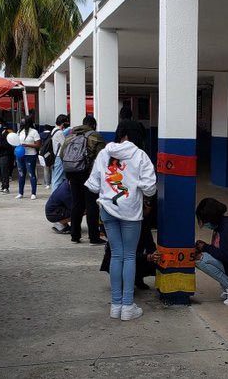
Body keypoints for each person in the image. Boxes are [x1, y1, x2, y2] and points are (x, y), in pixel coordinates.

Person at [85, 119, 157, 321]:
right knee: (130, 256)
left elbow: (92, 185)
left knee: (116, 255)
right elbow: (150, 187)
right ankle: (127, 306)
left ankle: (115, 305)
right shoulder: (140, 156)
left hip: (107, 210)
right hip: (131, 212)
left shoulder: (104, 153)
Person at [60, 115, 106, 245]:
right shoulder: (95, 136)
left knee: (77, 204)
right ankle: (93, 237)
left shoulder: (70, 136)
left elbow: (62, 155)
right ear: (93, 126)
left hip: (72, 173)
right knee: (91, 205)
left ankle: (75, 236)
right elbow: (102, 157)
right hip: (88, 174)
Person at [101, 196, 160, 289]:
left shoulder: (143, 221)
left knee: (153, 257)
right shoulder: (120, 220)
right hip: (120, 256)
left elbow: (149, 242)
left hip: (133, 254)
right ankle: (123, 281)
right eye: (146, 204)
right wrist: (146, 257)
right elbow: (121, 252)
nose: (149, 208)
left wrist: (154, 254)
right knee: (125, 258)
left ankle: (137, 278)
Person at [16, 115, 41, 200]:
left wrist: (28, 145)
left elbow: (38, 144)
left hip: (30, 155)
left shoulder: (34, 132)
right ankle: (20, 192)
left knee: (31, 174)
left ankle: (33, 193)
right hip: (20, 155)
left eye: (23, 122)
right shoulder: (19, 131)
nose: (22, 123)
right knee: (21, 174)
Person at [0, 118, 14, 194]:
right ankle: (2, 185)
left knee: (4, 171)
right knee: (0, 171)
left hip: (5, 154)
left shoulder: (7, 132)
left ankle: (6, 187)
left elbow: (9, 144)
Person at [50, 114, 70, 192]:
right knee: (57, 178)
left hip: (56, 156)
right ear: (63, 123)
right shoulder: (60, 133)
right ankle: (54, 196)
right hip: (59, 157)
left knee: (55, 177)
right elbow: (64, 144)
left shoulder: (54, 130)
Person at [39, 124, 53, 189]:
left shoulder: (40, 135)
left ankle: (47, 183)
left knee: (45, 168)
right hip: (50, 153)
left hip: (42, 153)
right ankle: (51, 182)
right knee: (51, 167)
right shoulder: (51, 135)